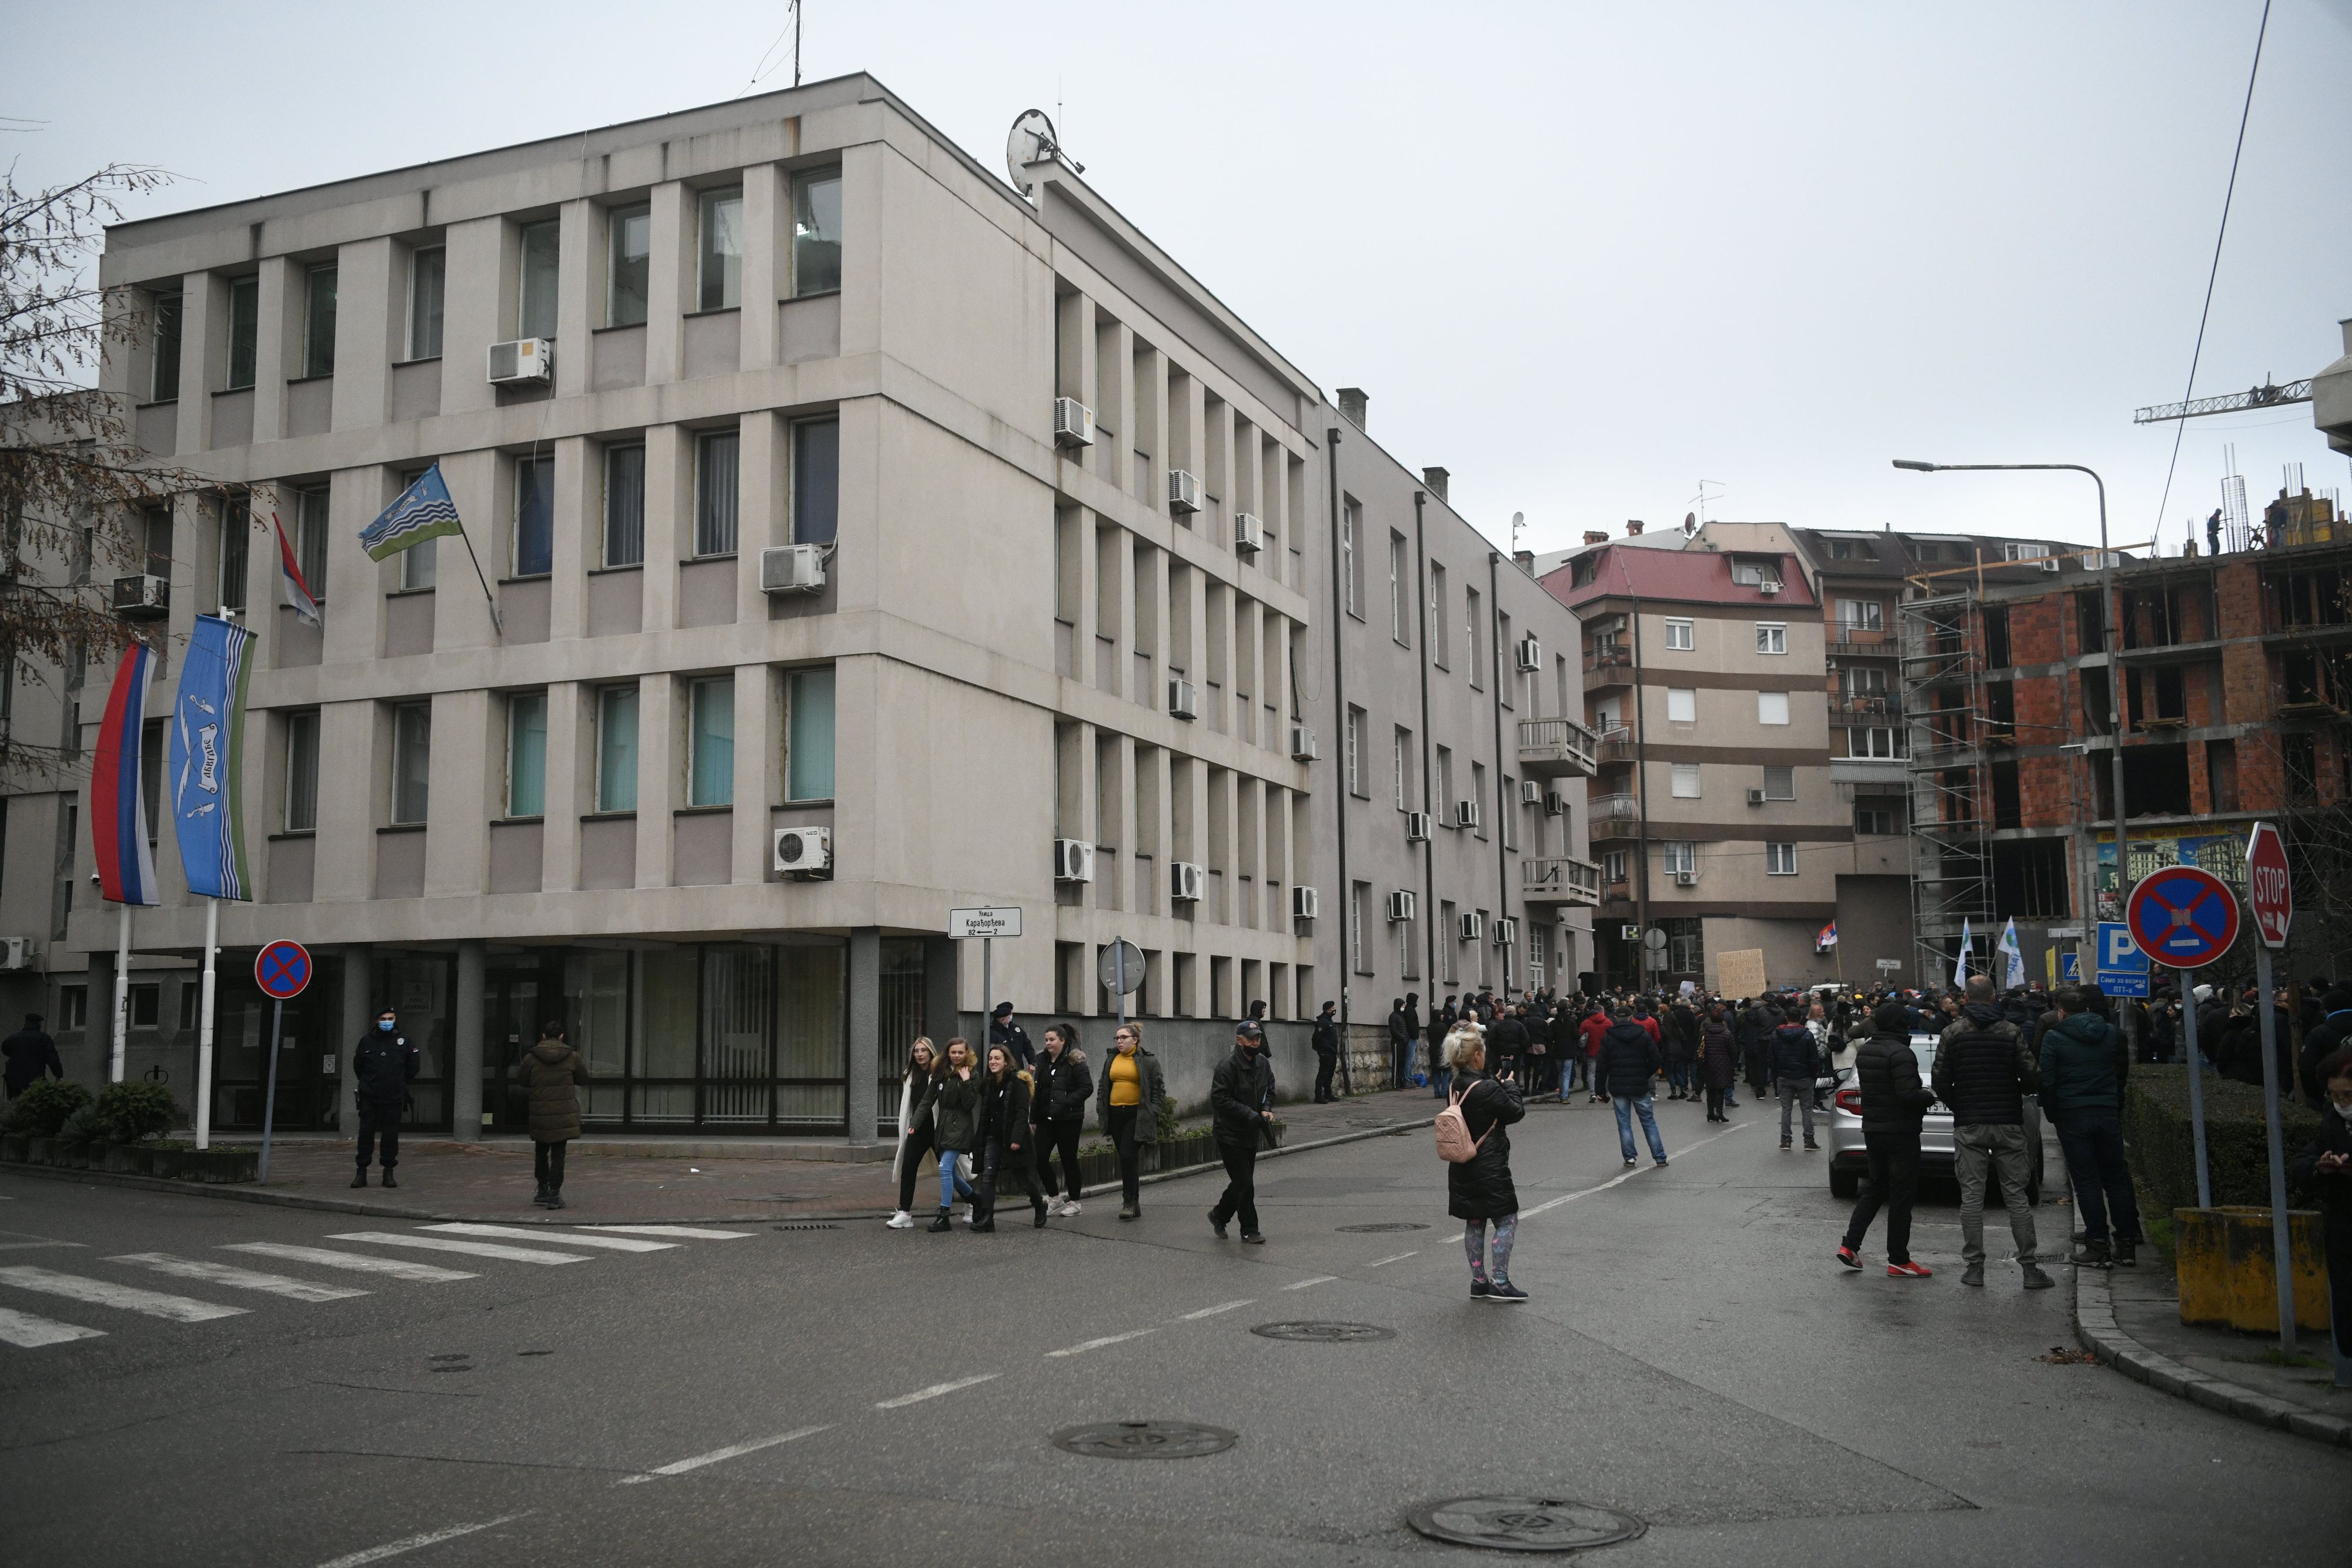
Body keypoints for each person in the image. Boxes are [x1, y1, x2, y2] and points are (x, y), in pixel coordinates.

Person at [1935, 975, 2051, 1289]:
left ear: (1966, 999)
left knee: (1972, 1196)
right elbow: (2031, 1075)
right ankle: (2029, 1269)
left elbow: (1940, 1081)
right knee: (2016, 1195)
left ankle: (1975, 1268)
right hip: (2008, 1122)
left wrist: (1961, 1102)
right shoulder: (2010, 1031)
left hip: (1969, 1123)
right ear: (1993, 997)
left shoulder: (1953, 1032)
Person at [2040, 987, 2141, 1268]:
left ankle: (2097, 1245)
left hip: (2073, 1116)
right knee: (2116, 1179)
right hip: (2106, 1113)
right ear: (2088, 1009)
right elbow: (2121, 1074)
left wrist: (2053, 1113)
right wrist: (2114, 1104)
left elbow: (2047, 1081)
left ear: (2061, 1011)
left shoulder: (2055, 1038)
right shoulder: (2113, 1034)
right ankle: (2127, 1244)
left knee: (2086, 1182)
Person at [1838, 1002, 1937, 1277]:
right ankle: (1899, 1260)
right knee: (1901, 1196)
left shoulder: (1867, 1050)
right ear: (1901, 1025)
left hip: (1873, 1130)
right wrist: (1928, 1096)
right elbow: (1907, 1094)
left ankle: (1850, 1246)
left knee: (1874, 1189)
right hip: (1901, 1133)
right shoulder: (1901, 1052)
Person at [1445, 1026, 1528, 1302]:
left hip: (1462, 1162)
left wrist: (1497, 1085)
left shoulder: (1455, 1086)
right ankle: (1501, 1281)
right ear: (1478, 1055)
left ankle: (1478, 1281)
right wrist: (1512, 1087)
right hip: (1490, 1164)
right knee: (1507, 1218)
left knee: (1475, 1220)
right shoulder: (1489, 1088)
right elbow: (1515, 1113)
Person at [2288, 1047, 2352, 1390]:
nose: (2341, 1102)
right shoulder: (2333, 1120)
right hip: (2344, 1231)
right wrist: (2321, 1167)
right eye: (2335, 1095)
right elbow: (2303, 1162)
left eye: (2348, 1095)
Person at [1208, 1020, 1276, 1243]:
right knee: (1246, 1184)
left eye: (1258, 1038)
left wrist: (1265, 1110)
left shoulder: (1263, 1064)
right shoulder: (1227, 1066)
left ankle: (1219, 1214)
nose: (1256, 1042)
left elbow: (1270, 1090)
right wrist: (1248, 1114)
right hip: (1229, 1134)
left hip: (1251, 1133)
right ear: (1239, 1041)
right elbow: (1220, 1099)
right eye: (1251, 1038)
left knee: (1241, 1183)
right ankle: (1249, 1229)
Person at [973, 1043, 1047, 1232]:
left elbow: (1022, 1112)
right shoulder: (989, 1084)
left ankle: (1039, 1205)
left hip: (1014, 1140)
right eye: (990, 1059)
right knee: (988, 1177)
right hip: (994, 1138)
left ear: (1006, 1061)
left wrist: (1016, 1138)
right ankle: (988, 1219)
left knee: (1023, 1180)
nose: (993, 1062)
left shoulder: (1018, 1083)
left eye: (997, 1058)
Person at [512, 1020, 586, 1209]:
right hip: (563, 1115)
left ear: (543, 1036)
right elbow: (583, 1079)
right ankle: (555, 1195)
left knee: (541, 1152)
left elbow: (522, 1080)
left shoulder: (531, 1057)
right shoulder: (572, 1057)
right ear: (562, 1037)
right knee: (559, 1155)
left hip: (540, 1113)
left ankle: (543, 1191)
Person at [1095, 1021, 1165, 1220]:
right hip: (1116, 1114)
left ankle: (1129, 1202)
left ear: (1135, 1040)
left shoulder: (1148, 1061)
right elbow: (1103, 1085)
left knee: (1127, 1154)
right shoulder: (1111, 1060)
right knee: (1127, 1159)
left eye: (1123, 1037)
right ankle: (1135, 1202)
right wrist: (1101, 1106)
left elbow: (1159, 1089)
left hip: (1138, 1115)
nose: (1119, 1041)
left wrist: (1154, 1111)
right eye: (1117, 1038)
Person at [350, 1007, 419, 1189]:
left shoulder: (404, 1041)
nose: (387, 1021)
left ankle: (388, 1173)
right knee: (366, 1134)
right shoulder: (366, 1042)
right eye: (383, 1019)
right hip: (370, 1096)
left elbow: (413, 1067)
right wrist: (369, 1083)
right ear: (376, 1021)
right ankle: (361, 1172)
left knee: (390, 1136)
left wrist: (398, 1082)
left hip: (393, 1096)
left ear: (395, 1019)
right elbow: (358, 1067)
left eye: (390, 1018)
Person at [1031, 1023, 1092, 1218]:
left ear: (1063, 1040)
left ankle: (1075, 1202)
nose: (1048, 1043)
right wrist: (1033, 1118)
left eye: (1052, 1040)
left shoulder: (1075, 1061)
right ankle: (1055, 1198)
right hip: (1046, 1120)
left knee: (1068, 1159)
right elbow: (1037, 1092)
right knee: (1038, 1157)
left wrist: (1066, 1102)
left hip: (1069, 1119)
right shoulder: (1042, 1061)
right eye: (1046, 1040)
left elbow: (1086, 1088)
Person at [1598, 1007, 1668, 1168]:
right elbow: (1657, 1058)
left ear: (1616, 1018)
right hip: (1639, 1085)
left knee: (1624, 1123)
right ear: (1631, 1018)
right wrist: (1645, 1073)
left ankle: (1630, 1158)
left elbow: (1601, 1066)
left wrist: (1600, 1090)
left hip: (1618, 1085)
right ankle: (1659, 1157)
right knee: (1648, 1121)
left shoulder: (1609, 1037)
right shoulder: (1642, 1034)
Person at [926, 1038, 982, 1232]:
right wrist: (914, 1124)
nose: (957, 1056)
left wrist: (966, 1082)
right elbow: (928, 1099)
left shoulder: (972, 1074)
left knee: (944, 1169)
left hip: (961, 1128)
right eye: (953, 1053)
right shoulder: (941, 1073)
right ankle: (974, 1198)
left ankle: (944, 1216)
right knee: (949, 1172)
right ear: (947, 1053)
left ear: (967, 1054)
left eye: (961, 1053)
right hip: (943, 1127)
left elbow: (969, 1105)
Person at [887, 1037, 941, 1228]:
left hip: (937, 1129)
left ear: (930, 1052)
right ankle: (905, 1212)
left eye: (923, 1051)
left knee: (952, 1169)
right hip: (916, 1129)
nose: (919, 1054)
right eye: (916, 1051)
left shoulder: (938, 1073)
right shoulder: (909, 1074)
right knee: (908, 1167)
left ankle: (971, 1203)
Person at [1770, 1005, 1822, 1152]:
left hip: (1784, 1076)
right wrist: (1813, 1075)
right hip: (1804, 1076)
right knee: (1807, 1110)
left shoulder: (1776, 1034)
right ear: (1800, 1018)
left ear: (1787, 1018)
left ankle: (1785, 1140)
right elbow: (1814, 1058)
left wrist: (1776, 1074)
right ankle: (1809, 1141)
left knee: (1786, 1109)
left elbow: (1771, 1057)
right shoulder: (1807, 1035)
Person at [2297, 988, 2352, 1106]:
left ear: (2327, 1008)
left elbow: (2306, 1067)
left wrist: (2319, 1097)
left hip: (2332, 1098)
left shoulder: (2319, 1033)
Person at [1, 1012, 62, 1099]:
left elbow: (6, 1051)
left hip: (13, 1081)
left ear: (25, 1024)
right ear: (39, 1024)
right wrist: (59, 1075)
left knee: (15, 1106)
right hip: (35, 1080)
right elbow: (53, 1060)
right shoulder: (44, 1039)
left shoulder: (12, 1039)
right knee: (35, 1106)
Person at [1698, 1003, 1738, 1121]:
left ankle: (1710, 1113)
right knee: (1720, 1089)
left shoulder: (1704, 1033)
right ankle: (1719, 1113)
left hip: (1708, 1063)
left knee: (1710, 1089)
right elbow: (1733, 1051)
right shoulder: (1727, 1034)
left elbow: (1700, 1048)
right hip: (1723, 1064)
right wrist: (1732, 1064)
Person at [1488, 1004, 1529, 1087]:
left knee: (1503, 1073)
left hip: (1502, 1054)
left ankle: (1503, 1090)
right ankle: (1514, 1090)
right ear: (1514, 1013)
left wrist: (1497, 1051)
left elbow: (1492, 1040)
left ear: (1505, 1013)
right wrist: (1521, 1051)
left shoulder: (1498, 1025)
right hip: (1515, 1054)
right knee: (1515, 1074)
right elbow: (1526, 1039)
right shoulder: (1519, 1025)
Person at [988, 1003, 1034, 1070]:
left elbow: (1027, 1047)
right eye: (1009, 1015)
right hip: (1003, 1073)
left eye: (1011, 1014)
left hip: (1018, 1071)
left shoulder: (1016, 1029)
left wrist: (1032, 1062)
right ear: (1003, 1019)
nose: (1011, 1017)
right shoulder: (992, 1033)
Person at [1311, 1002, 1340, 1103]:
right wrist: (1317, 1048)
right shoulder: (1323, 1022)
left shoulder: (1329, 1021)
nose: (1334, 1010)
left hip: (1332, 1052)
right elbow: (1317, 1037)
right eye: (1333, 1008)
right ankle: (1318, 1096)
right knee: (1323, 1073)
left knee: (1329, 1074)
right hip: (1326, 1052)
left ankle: (1328, 1094)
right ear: (1328, 1009)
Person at [1387, 998, 1412, 1091]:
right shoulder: (1393, 1016)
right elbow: (1393, 1030)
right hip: (1397, 1043)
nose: (1403, 1007)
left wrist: (1406, 1038)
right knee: (1397, 1063)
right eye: (1402, 1005)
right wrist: (1402, 1037)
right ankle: (1395, 1084)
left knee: (1402, 1063)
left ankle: (1400, 1082)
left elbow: (1403, 1029)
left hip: (1403, 1042)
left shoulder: (1401, 1016)